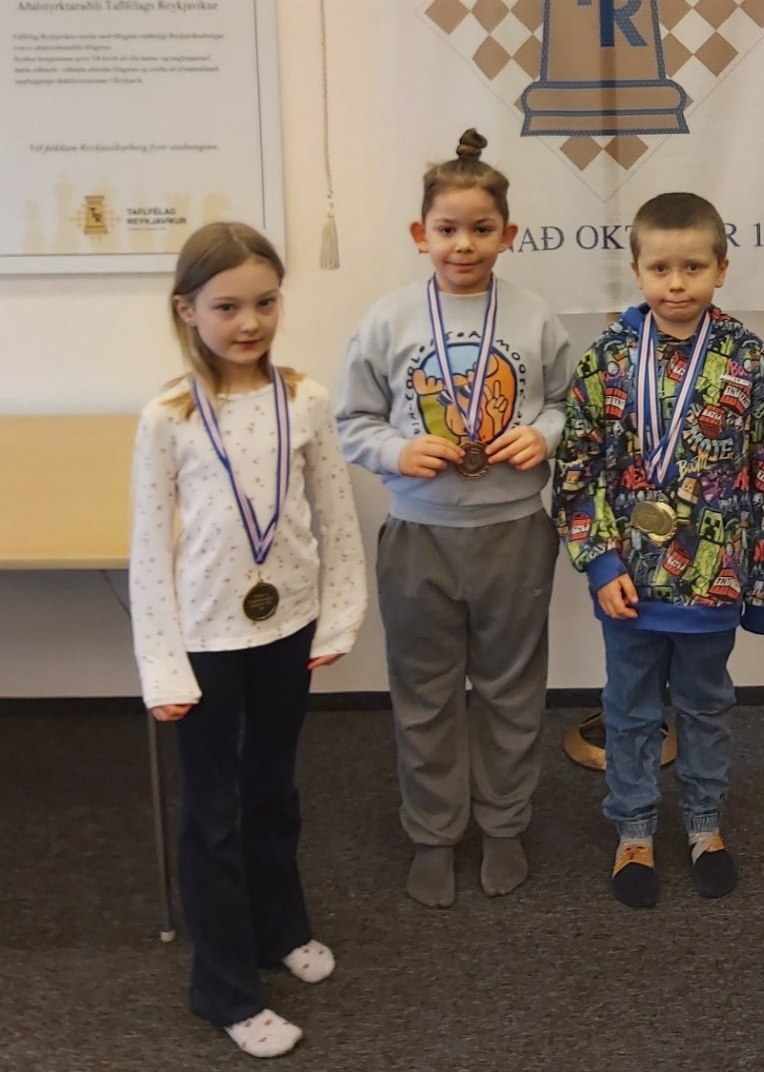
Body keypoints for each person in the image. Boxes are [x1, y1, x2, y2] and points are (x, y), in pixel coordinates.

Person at [130, 221, 367, 1059]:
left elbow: (336, 514)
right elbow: (147, 547)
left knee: (273, 788)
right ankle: (224, 988)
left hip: (287, 627)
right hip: (203, 641)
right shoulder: (167, 416)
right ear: (187, 310)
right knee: (214, 815)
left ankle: (279, 928)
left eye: (265, 302)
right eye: (227, 306)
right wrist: (163, 665)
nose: (250, 322)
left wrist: (339, 614)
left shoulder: (304, 400)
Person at [335, 128, 571, 909]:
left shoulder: (536, 317)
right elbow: (353, 421)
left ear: (508, 233)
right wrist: (397, 452)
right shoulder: (388, 320)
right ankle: (434, 830)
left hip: (514, 533)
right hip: (419, 535)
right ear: (420, 234)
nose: (462, 244)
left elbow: (570, 405)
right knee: (425, 692)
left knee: (511, 689)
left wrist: (544, 435)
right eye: (447, 228)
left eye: (480, 228)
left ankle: (504, 822)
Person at [552, 191, 764, 909]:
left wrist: (762, 587)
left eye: (693, 267)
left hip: (714, 583)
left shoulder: (749, 359)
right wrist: (600, 561)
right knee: (629, 711)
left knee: (705, 708)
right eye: (660, 268)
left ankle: (705, 823)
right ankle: (633, 831)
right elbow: (578, 470)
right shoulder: (607, 359)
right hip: (628, 583)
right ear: (636, 270)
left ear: (722, 268)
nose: (677, 284)